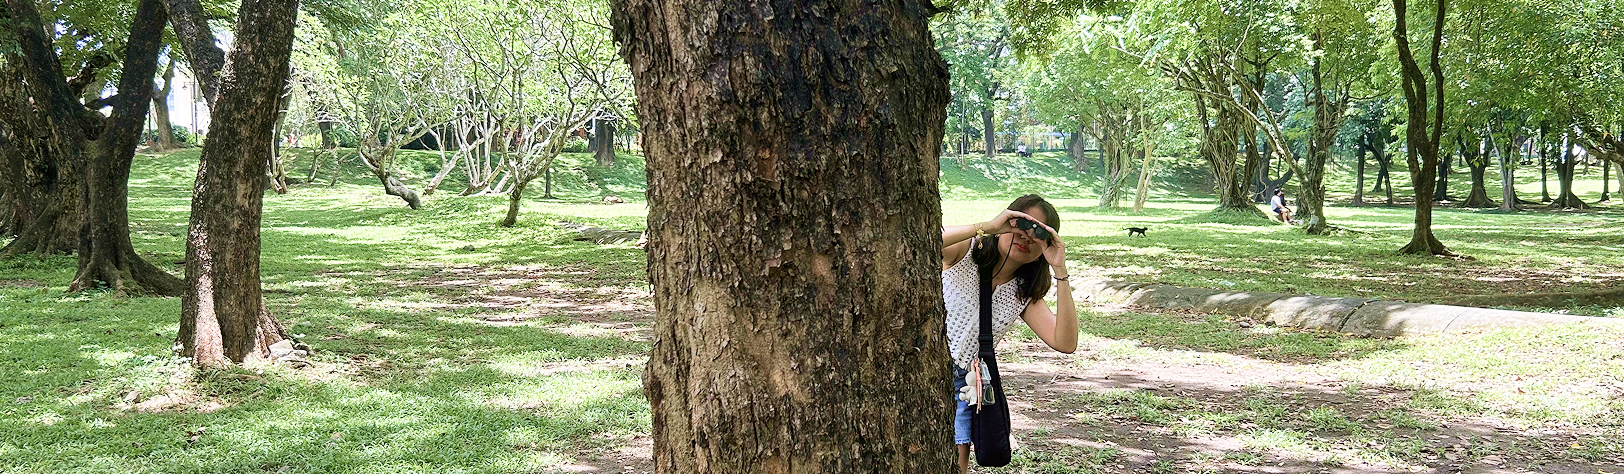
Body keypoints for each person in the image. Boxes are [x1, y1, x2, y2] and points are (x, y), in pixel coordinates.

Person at [940, 194, 1078, 473]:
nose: (1026, 237)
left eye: (1039, 233)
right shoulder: (964, 252)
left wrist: (1060, 269)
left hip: (965, 387)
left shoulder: (1024, 293)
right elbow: (924, 238)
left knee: (953, 466)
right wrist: (988, 226)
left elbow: (1065, 342)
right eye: (1021, 224)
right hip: (922, 367)